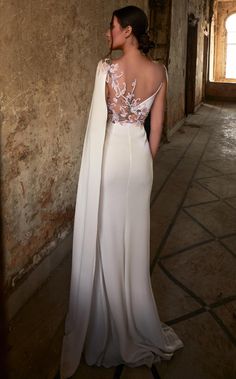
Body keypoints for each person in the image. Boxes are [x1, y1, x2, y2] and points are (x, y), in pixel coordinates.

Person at [60, 5, 184, 378]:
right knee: (133, 240)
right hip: (139, 162)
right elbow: (156, 130)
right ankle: (137, 317)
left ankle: (111, 326)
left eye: (112, 27)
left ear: (128, 31)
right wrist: (143, 163)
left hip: (112, 157)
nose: (107, 33)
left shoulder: (107, 70)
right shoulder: (159, 72)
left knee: (108, 238)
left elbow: (99, 125)